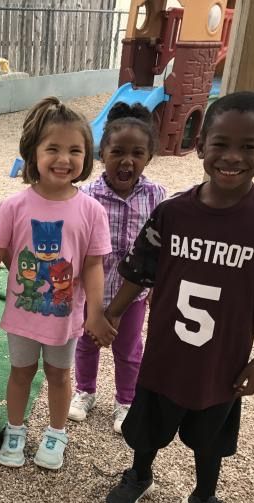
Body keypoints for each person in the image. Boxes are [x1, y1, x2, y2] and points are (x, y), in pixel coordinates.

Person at [100, 92, 254, 503]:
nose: (232, 157)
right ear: (200, 145)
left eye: (249, 147)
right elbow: (139, 270)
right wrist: (111, 314)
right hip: (165, 352)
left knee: (211, 438)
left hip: (222, 359)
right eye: (221, 144)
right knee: (148, 425)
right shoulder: (173, 212)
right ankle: (139, 474)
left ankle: (205, 497)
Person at [0, 97, 114, 470]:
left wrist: (96, 312)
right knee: (20, 373)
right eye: (52, 148)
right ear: (32, 153)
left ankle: (56, 433)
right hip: (23, 316)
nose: (63, 158)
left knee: (59, 375)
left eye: (75, 150)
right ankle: (15, 429)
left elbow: (93, 265)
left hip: (65, 318)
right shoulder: (14, 206)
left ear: (86, 156)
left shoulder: (91, 210)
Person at [69, 102, 166, 433]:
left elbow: (161, 247)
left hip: (133, 294)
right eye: (118, 152)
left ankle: (126, 400)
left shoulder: (156, 195)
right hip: (91, 292)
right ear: (102, 154)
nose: (127, 161)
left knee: (128, 349)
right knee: (87, 343)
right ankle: (85, 391)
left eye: (137, 153)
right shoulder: (86, 196)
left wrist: (155, 288)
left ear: (148, 157)